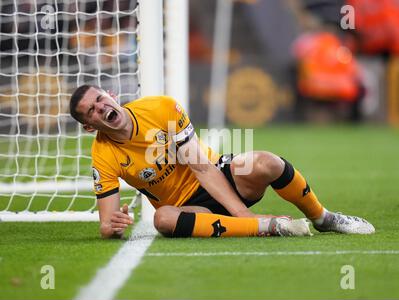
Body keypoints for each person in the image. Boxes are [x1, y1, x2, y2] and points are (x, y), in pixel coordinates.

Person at [69, 85, 375, 239]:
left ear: (110, 94)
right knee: (162, 220)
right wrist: (114, 227)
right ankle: (270, 227)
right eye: (91, 112)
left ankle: (324, 218)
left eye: (99, 100)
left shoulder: (161, 108)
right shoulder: (103, 156)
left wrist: (242, 214)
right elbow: (106, 223)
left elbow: (202, 168)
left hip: (218, 174)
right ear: (89, 126)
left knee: (267, 162)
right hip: (188, 208)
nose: (100, 108)